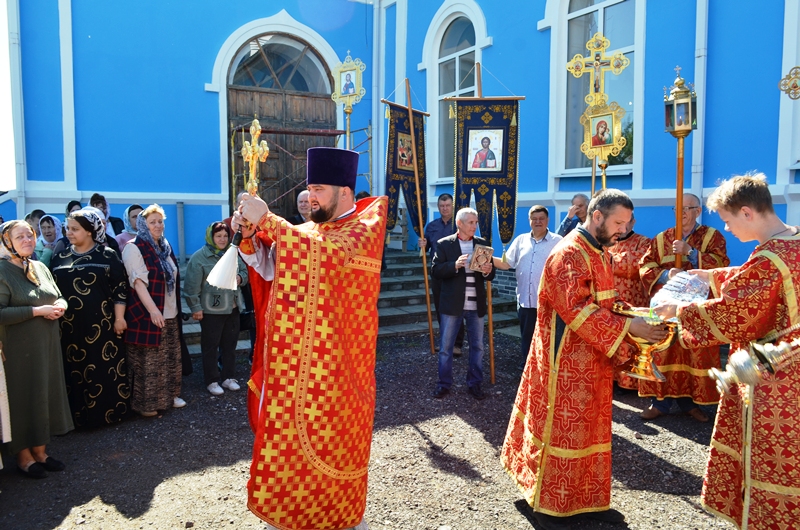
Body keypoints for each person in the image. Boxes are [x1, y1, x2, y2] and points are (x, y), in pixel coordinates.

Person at [234, 146, 387, 530]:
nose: (311, 197)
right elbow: (272, 271)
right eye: (309, 188)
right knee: (288, 459)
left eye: (318, 188)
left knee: (334, 460)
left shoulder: (366, 228)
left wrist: (267, 219)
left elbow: (328, 256)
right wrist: (252, 236)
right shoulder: (309, 230)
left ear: (345, 192)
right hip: (293, 371)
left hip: (338, 377)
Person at [501, 189, 669, 528]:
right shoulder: (569, 253)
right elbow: (577, 310)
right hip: (563, 363)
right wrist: (628, 327)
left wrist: (640, 315)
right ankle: (549, 504)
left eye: (625, 223)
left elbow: (607, 301)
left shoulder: (600, 251)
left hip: (592, 359)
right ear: (597, 217)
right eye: (618, 223)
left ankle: (586, 500)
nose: (623, 230)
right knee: (564, 431)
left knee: (592, 431)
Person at [652, 173, 800, 530]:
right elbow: (758, 279)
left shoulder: (768, 257)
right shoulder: (792, 241)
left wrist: (680, 311)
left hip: (775, 377)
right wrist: (710, 276)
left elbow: (737, 312)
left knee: (770, 460)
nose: (727, 228)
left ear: (747, 212)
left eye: (729, 219)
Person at [638, 193, 729, 422]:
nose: (683, 213)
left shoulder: (712, 236)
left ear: (698, 211)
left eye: (687, 208)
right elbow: (645, 266)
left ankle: (692, 403)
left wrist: (691, 253)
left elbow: (721, 265)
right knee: (663, 350)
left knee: (692, 351)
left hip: (694, 308)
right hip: (667, 307)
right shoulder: (662, 238)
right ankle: (659, 403)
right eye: (678, 209)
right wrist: (667, 273)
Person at [0, 220, 73, 479]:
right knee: (23, 398)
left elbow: (57, 295)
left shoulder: (41, 267)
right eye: (20, 237)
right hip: (18, 350)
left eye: (30, 236)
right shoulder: (2, 271)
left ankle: (41, 452)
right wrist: (36, 311)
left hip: (46, 346)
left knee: (45, 393)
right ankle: (23, 457)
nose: (28, 241)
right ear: (7, 242)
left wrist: (61, 306)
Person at [50, 208, 130, 428]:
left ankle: (109, 416)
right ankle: (77, 419)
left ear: (89, 231)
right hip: (69, 326)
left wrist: (119, 318)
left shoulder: (107, 255)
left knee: (103, 368)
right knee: (74, 371)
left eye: (75, 229)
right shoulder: (59, 257)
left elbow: (120, 289)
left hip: (102, 326)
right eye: (68, 228)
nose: (69, 233)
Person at [121, 204, 186, 417]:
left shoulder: (164, 246)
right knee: (149, 362)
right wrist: (153, 311)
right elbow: (138, 283)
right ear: (143, 225)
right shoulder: (134, 247)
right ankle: (146, 405)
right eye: (152, 222)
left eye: (160, 221)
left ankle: (168, 397)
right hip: (148, 313)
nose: (157, 226)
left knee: (169, 358)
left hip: (170, 311)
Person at [431, 207, 495, 400]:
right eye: (471, 222)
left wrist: (486, 270)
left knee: (478, 347)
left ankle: (474, 384)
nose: (475, 226)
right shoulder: (444, 244)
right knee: (446, 347)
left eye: (476, 222)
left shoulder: (482, 244)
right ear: (459, 224)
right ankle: (444, 384)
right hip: (453, 304)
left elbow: (491, 275)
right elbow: (435, 270)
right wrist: (454, 265)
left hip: (476, 305)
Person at [493, 205, 562, 370]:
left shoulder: (558, 241)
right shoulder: (520, 240)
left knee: (548, 339)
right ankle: (528, 371)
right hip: (525, 300)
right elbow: (506, 263)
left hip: (548, 302)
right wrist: (484, 256)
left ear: (548, 220)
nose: (538, 222)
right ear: (529, 221)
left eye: (541, 219)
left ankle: (547, 372)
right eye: (534, 219)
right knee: (527, 338)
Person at [184, 221, 248, 396]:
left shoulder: (233, 253)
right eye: (218, 236)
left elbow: (245, 272)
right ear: (211, 237)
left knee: (230, 346)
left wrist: (240, 278)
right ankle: (212, 380)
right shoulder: (200, 257)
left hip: (233, 308)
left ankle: (228, 377)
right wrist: (195, 307)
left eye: (225, 236)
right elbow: (191, 287)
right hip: (211, 311)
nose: (222, 239)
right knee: (210, 347)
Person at [607, 213, 651, 390]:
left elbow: (635, 266)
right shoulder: (608, 241)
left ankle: (628, 382)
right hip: (609, 300)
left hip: (632, 299)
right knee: (612, 337)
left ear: (633, 222)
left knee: (629, 340)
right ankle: (611, 379)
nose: (623, 227)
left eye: (627, 222)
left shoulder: (644, 242)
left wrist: (609, 259)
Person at [418, 194, 465, 355]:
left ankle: (457, 344)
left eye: (447, 205)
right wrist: (422, 245)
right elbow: (427, 249)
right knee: (440, 306)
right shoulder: (431, 226)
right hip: (438, 272)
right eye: (442, 206)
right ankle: (445, 341)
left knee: (456, 306)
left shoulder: (460, 225)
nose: (444, 208)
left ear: (453, 206)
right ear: (438, 207)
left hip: (456, 271)